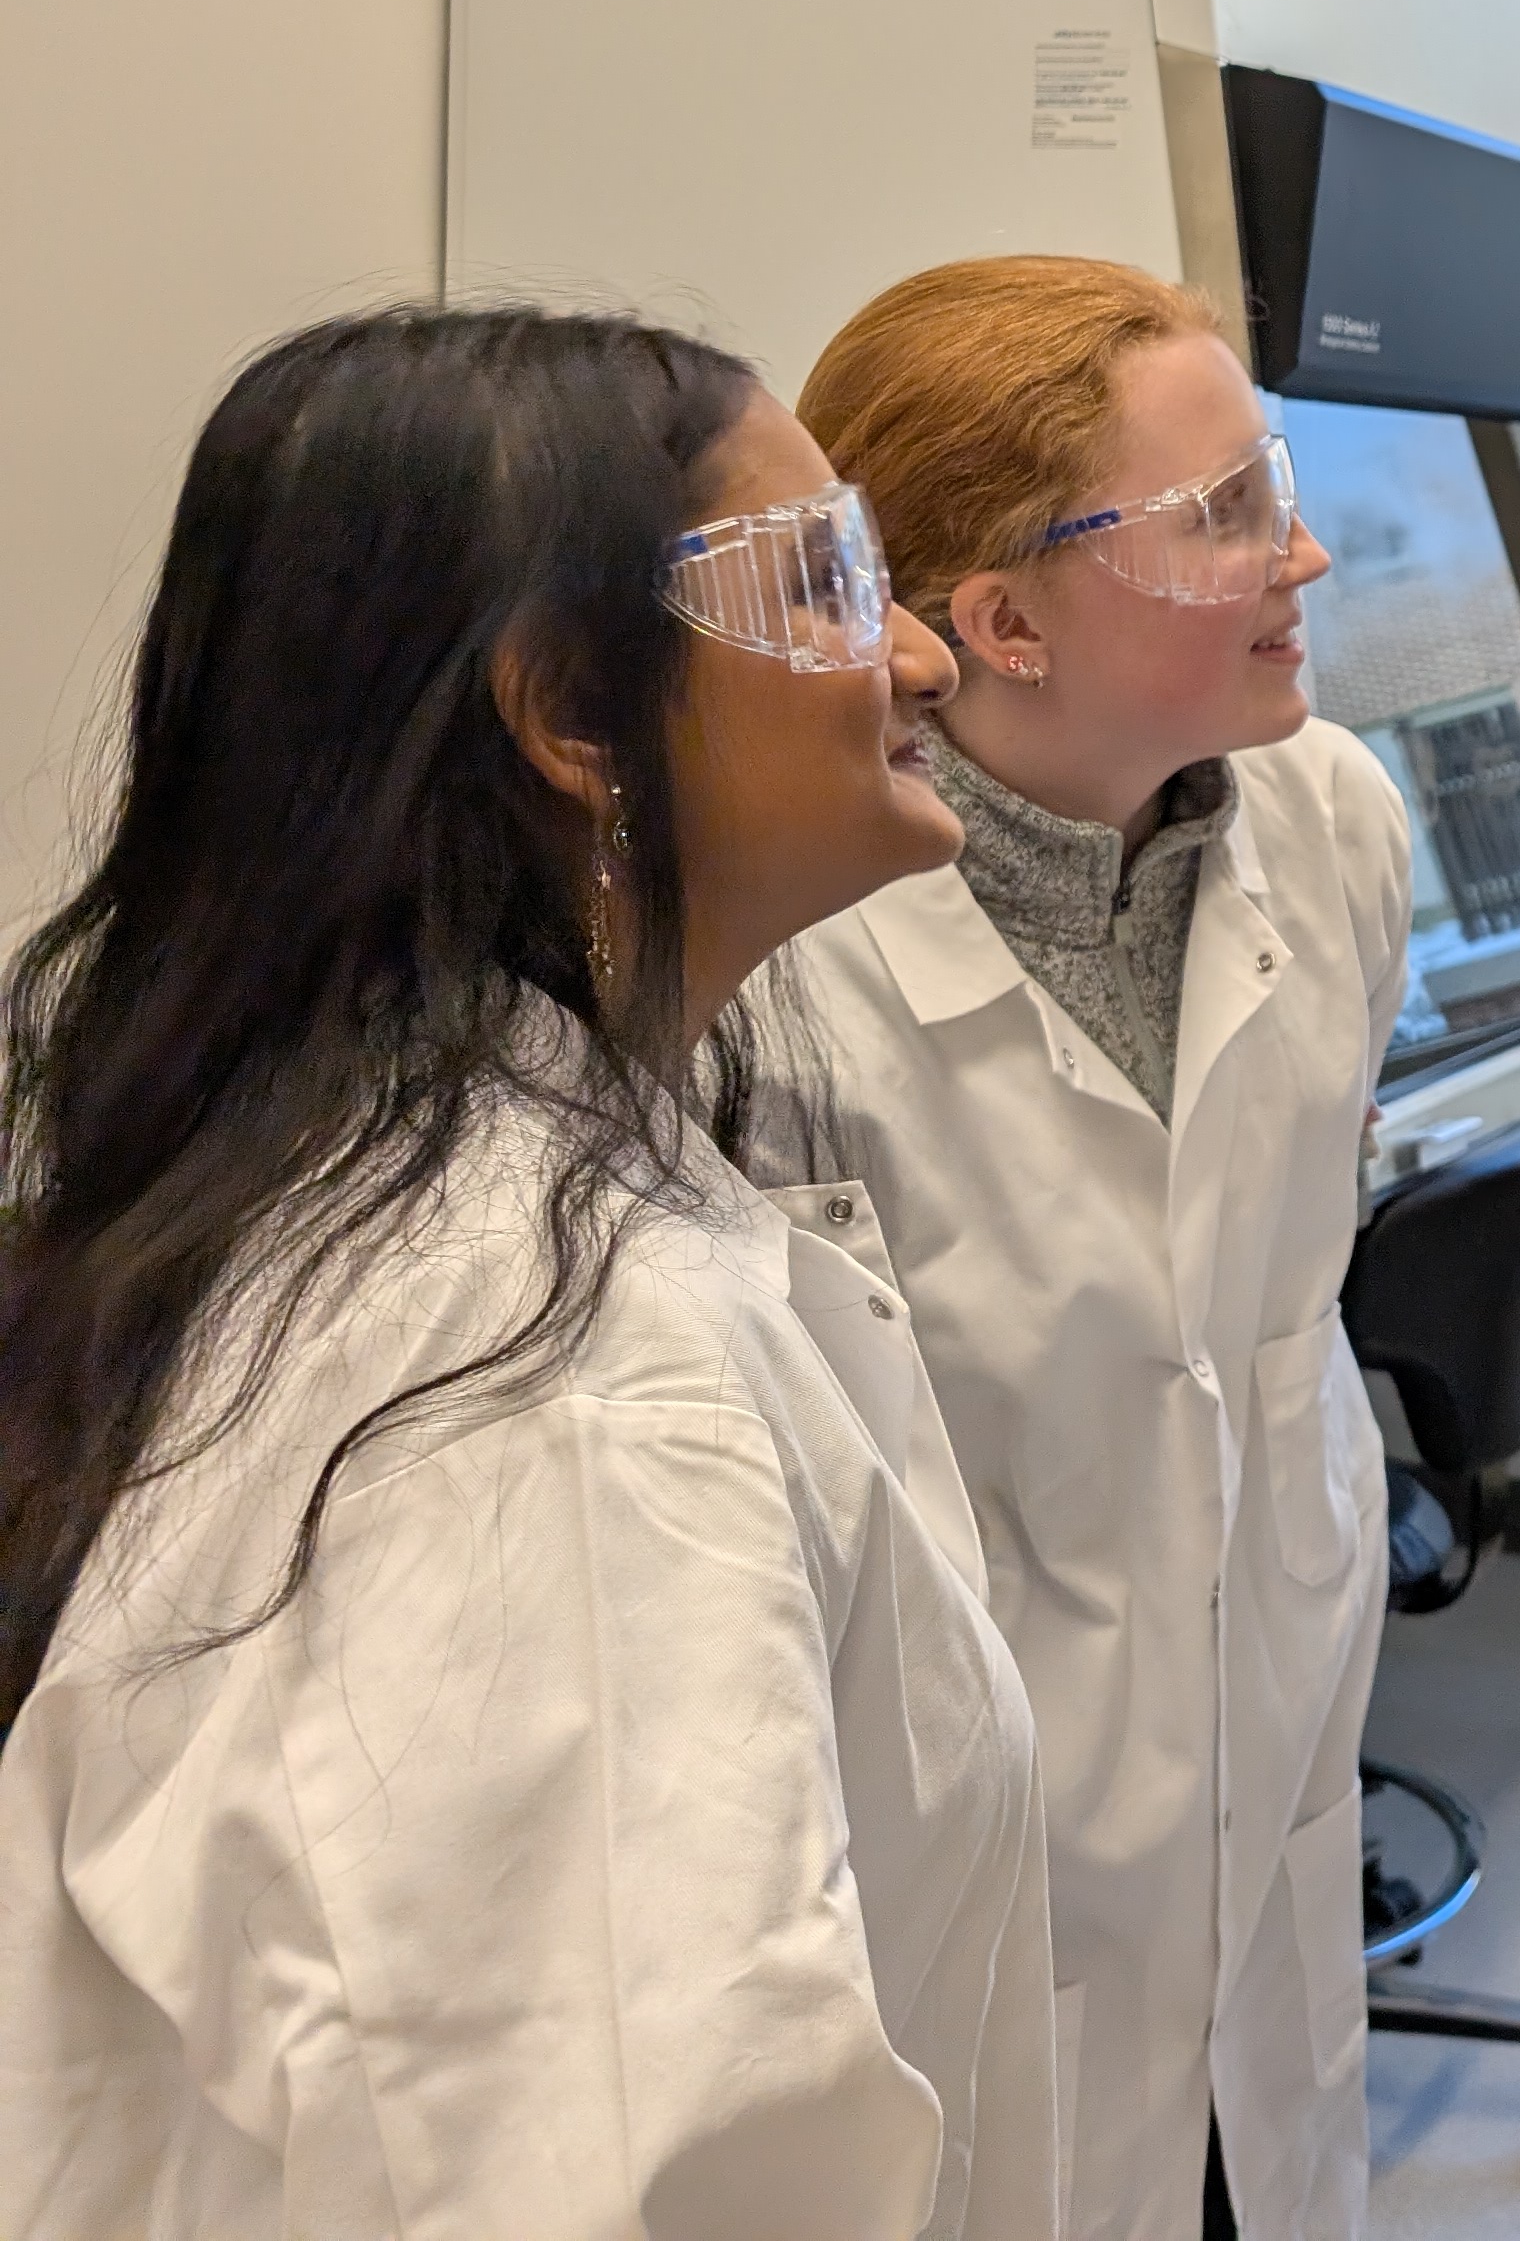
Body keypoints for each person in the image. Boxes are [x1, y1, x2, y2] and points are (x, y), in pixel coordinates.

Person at [0, 309, 1052, 2240]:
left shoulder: (411, 1190)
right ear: (571, 710)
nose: (916, 656)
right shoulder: (551, 1395)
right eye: (825, 582)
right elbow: (601, 2182)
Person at [760, 257, 1412, 2241]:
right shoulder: (784, 957)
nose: (1301, 552)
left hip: (1268, 1774)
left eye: (1277, 484)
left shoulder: (1335, 823)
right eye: (1224, 515)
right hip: (956, 1869)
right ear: (1004, 624)